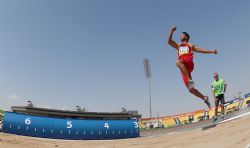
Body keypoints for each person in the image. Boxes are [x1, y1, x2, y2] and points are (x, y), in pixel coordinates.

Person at [167, 26, 217, 108]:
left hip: (189, 64)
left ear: (186, 37)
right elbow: (169, 42)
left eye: (182, 35)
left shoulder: (190, 45)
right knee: (191, 90)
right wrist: (171, 31)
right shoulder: (178, 46)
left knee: (177, 61)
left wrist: (212, 51)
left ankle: (190, 80)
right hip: (183, 68)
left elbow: (201, 50)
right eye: (180, 35)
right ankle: (204, 98)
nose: (180, 36)